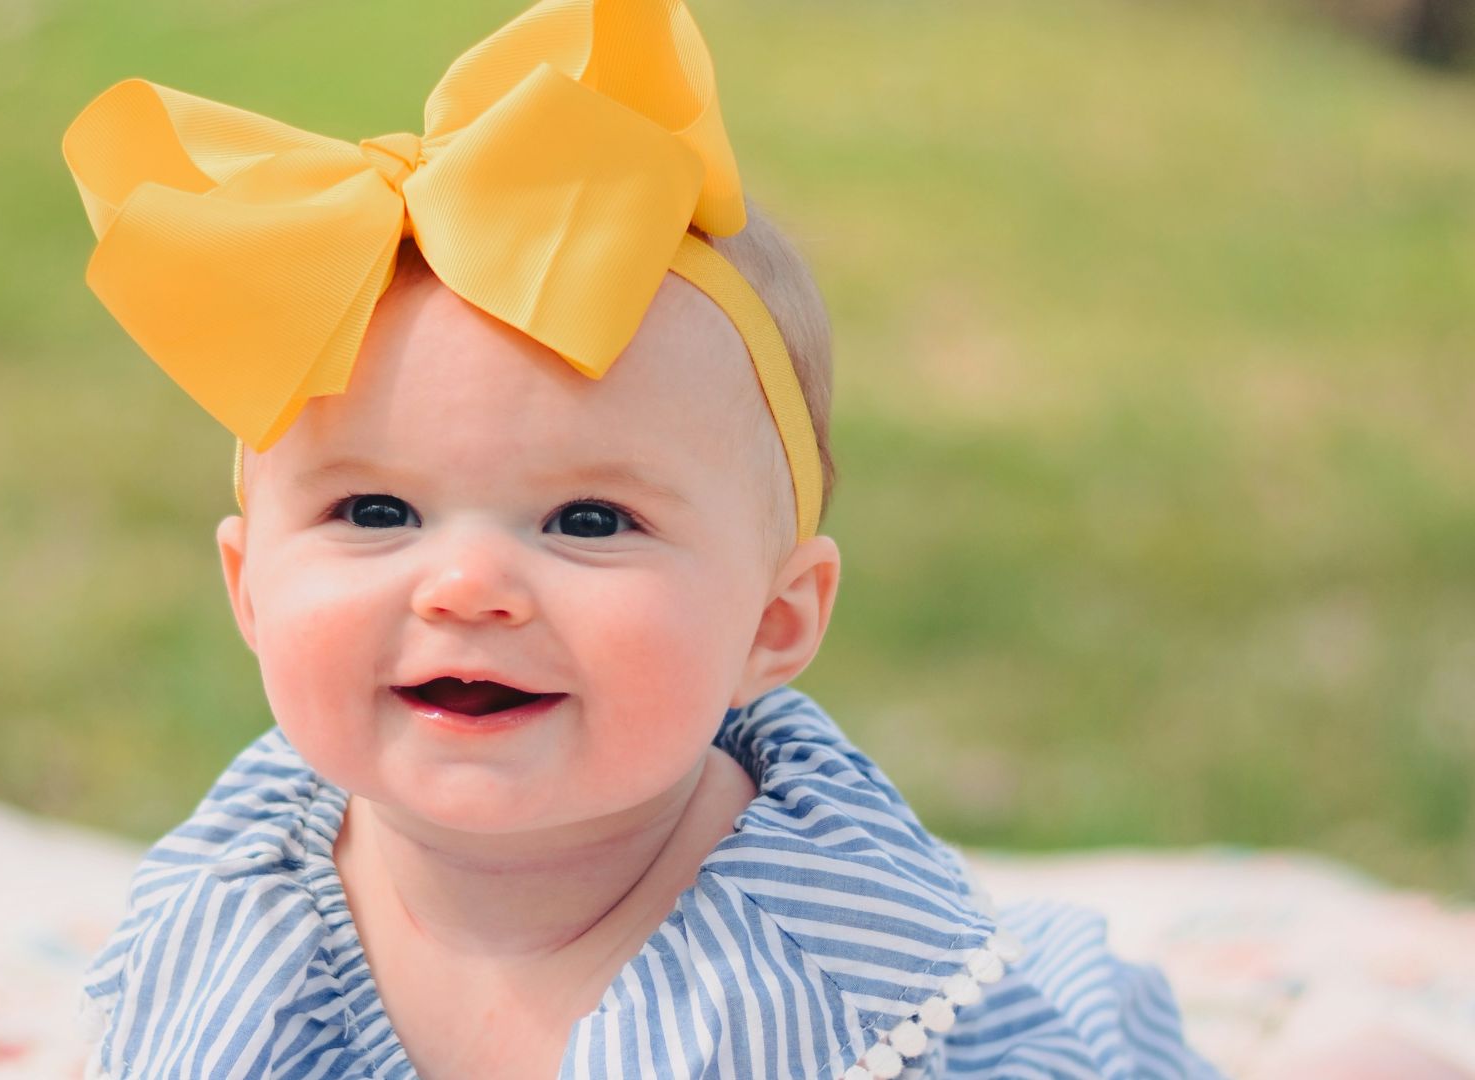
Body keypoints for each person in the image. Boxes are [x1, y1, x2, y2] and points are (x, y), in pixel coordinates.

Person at [59, 1, 1222, 1076]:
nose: (466, 585)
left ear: (774, 624)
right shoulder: (239, 904)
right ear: (248, 588)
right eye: (374, 513)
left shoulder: (809, 971)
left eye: (589, 521)